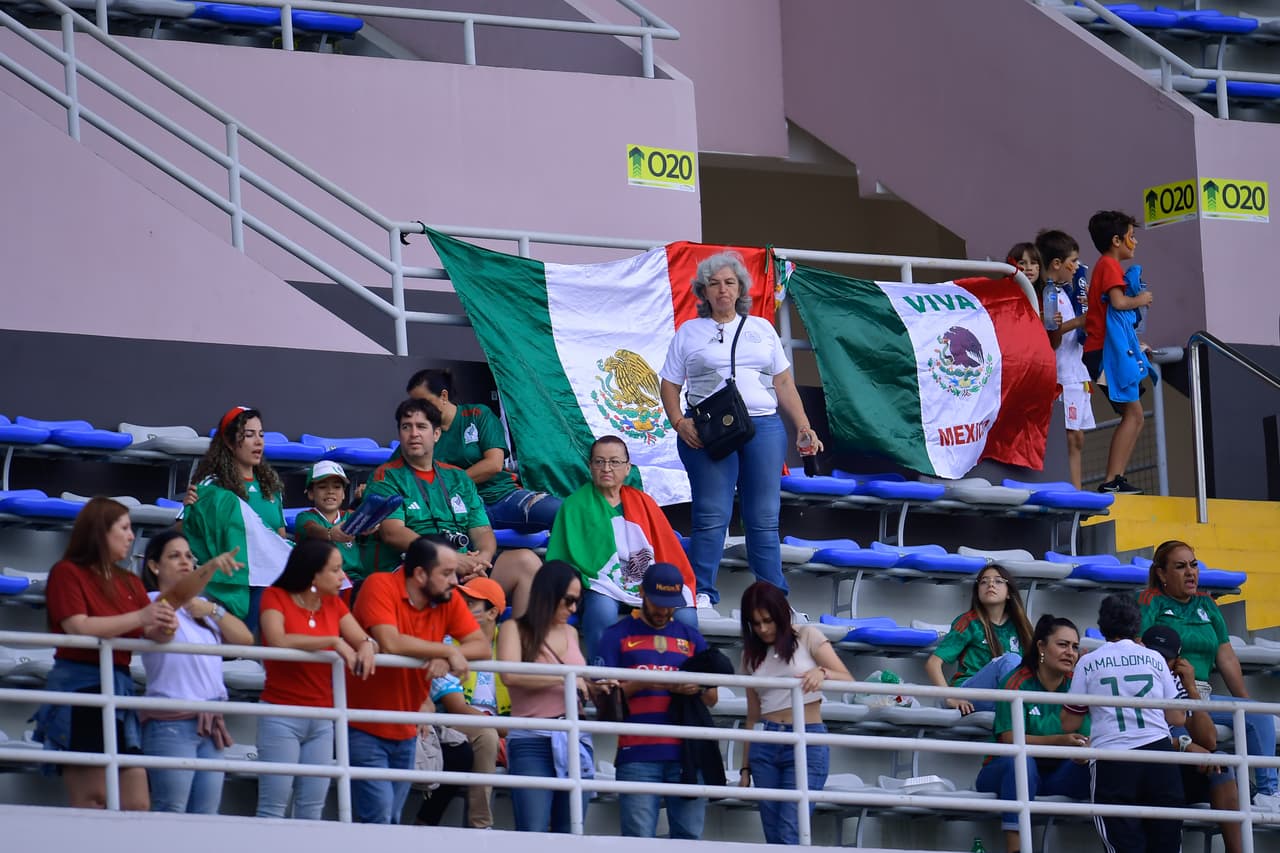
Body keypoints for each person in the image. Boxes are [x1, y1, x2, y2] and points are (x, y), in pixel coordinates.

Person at [659, 251, 824, 611]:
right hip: (708, 430)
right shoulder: (689, 332)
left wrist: (803, 426)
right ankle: (702, 592)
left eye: (729, 283)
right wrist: (678, 421)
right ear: (703, 292)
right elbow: (669, 384)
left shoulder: (762, 328)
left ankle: (773, 599)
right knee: (710, 514)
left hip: (763, 426)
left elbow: (782, 381)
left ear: (740, 289)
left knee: (763, 518)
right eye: (714, 284)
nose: (722, 290)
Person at [32, 498, 179, 810]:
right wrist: (142, 618)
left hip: (119, 690)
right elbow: (78, 627)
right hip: (82, 689)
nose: (131, 536)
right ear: (100, 531)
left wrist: (166, 625)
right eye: (124, 528)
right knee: (93, 798)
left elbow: (150, 633)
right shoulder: (67, 572)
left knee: (138, 802)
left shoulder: (128, 580)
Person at [346, 537, 488, 824]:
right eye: (446, 573)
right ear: (421, 574)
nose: (454, 581)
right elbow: (390, 641)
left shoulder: (445, 598)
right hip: (363, 724)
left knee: (391, 819)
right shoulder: (380, 584)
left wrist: (446, 657)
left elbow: (480, 646)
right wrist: (446, 650)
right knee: (378, 818)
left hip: (408, 728)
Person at [363, 398, 541, 616]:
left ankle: (520, 645)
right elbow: (393, 532)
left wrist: (481, 560)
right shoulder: (386, 476)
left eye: (422, 426)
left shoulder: (458, 477)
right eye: (406, 427)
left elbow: (482, 530)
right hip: (416, 568)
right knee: (461, 596)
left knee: (526, 562)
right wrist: (449, 559)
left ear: (436, 434)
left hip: (463, 568)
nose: (414, 433)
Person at [1138, 539, 1278, 807]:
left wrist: (1243, 703)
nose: (1190, 572)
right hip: (1169, 698)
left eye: (1194, 565)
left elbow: (1225, 657)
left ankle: (1268, 793)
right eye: (1180, 567)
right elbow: (1140, 648)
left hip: (1203, 693)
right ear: (1161, 573)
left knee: (1257, 714)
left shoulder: (1208, 604)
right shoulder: (1149, 601)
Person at [546, 434, 698, 661]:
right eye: (599, 461)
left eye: (614, 462)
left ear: (627, 468)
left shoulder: (644, 501)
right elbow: (563, 558)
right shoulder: (574, 505)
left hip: (648, 579)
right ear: (590, 467)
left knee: (686, 615)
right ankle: (603, 677)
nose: (606, 468)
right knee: (602, 611)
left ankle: (689, 675)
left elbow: (666, 549)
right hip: (602, 583)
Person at [256, 539, 378, 820]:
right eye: (335, 570)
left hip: (323, 718)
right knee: (272, 808)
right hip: (281, 714)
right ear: (313, 573)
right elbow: (277, 640)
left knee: (312, 812)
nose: (342, 577)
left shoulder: (333, 604)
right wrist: (333, 641)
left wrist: (367, 645)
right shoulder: (276, 596)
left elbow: (362, 638)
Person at [595, 562, 718, 839]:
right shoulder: (617, 635)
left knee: (688, 839)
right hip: (636, 754)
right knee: (638, 840)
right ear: (642, 593)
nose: (664, 610)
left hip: (687, 755)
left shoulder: (693, 638)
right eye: (658, 602)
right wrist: (643, 682)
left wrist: (695, 686)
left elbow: (712, 697)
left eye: (670, 604)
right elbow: (602, 701)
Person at [140, 529, 252, 814]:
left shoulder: (201, 608)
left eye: (189, 556)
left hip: (210, 721)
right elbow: (165, 622)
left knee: (206, 817)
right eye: (174, 556)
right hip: (171, 722)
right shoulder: (150, 601)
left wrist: (212, 609)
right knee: (171, 812)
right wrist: (211, 567)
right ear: (154, 565)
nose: (185, 562)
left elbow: (245, 640)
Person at [1063, 593, 1185, 851]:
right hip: (1159, 755)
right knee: (1166, 842)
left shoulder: (1088, 661)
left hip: (1113, 757)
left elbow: (1069, 723)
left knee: (1123, 844)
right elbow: (1176, 717)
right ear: (1136, 624)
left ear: (1102, 625)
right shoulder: (1154, 658)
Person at [737, 581, 853, 845]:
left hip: (807, 738)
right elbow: (752, 716)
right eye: (755, 623)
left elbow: (848, 679)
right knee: (774, 835)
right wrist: (745, 767)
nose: (763, 629)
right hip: (765, 743)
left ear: (780, 614)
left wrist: (821, 672)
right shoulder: (750, 654)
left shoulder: (808, 636)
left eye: (767, 620)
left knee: (792, 831)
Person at [497, 560, 604, 833]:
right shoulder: (513, 629)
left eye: (577, 602)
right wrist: (565, 679)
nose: (573, 609)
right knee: (533, 832)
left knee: (570, 831)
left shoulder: (570, 631)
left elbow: (578, 681)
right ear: (548, 594)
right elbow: (510, 676)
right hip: (531, 739)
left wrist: (595, 687)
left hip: (574, 738)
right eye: (568, 600)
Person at [974, 615, 1090, 853]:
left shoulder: (1078, 685)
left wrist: (1083, 753)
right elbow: (1009, 739)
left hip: (1056, 776)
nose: (1070, 652)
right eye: (1062, 644)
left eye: (1075, 646)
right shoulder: (1016, 682)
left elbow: (1085, 738)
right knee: (1022, 761)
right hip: (1005, 773)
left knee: (1104, 766)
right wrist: (1060, 742)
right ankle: (1016, 848)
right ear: (1041, 647)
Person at [407, 368, 562, 533]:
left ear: (443, 396)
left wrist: (449, 484)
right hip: (459, 507)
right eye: (414, 405)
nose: (418, 410)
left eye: (423, 403)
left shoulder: (477, 414)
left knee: (563, 512)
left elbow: (493, 465)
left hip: (504, 497)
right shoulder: (421, 434)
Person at [185, 405, 292, 629]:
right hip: (230, 583)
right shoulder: (210, 486)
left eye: (261, 435)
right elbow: (184, 533)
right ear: (229, 441)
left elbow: (279, 539)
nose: (259, 442)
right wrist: (188, 508)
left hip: (269, 581)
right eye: (249, 435)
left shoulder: (271, 489)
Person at [1142, 624, 1243, 853]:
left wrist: (1191, 687)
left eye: (1166, 658)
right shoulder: (1132, 681)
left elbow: (1209, 740)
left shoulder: (1178, 683)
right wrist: (1185, 746)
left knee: (1221, 764)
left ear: (1177, 661)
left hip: (1178, 772)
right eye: (1153, 655)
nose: (1159, 663)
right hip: (1147, 771)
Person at [1081, 211, 1152, 494]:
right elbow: (1119, 302)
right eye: (1131, 237)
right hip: (1104, 354)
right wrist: (1141, 299)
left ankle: (1117, 478)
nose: (1134, 242)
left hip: (1105, 351)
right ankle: (1112, 479)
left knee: (1134, 416)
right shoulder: (1109, 265)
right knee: (1133, 415)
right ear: (1116, 240)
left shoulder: (1105, 266)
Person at [924, 565, 1034, 715]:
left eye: (998, 581)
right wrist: (949, 698)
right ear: (977, 592)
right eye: (984, 582)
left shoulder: (1020, 626)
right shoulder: (969, 622)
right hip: (969, 694)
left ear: (1009, 593)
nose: (990, 585)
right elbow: (933, 663)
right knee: (1010, 660)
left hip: (1001, 698)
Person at [1034, 230, 1095, 491]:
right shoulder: (1047, 294)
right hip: (1061, 376)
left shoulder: (1065, 292)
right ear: (1057, 264)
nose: (1077, 268)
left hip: (1077, 372)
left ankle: (1077, 490)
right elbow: (1052, 338)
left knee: (1078, 438)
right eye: (1073, 261)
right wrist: (1077, 322)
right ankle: (1072, 492)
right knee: (1070, 438)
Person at [452, 576, 510, 828]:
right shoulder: (449, 639)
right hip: (456, 721)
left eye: (470, 602)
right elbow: (452, 705)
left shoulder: (510, 645)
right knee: (487, 737)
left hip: (503, 730)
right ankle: (480, 825)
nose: (461, 605)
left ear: (493, 612)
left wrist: (501, 731)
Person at [294, 460, 370, 585]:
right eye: (322, 487)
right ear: (311, 493)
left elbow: (371, 527)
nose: (330, 491)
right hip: (319, 581)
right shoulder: (304, 517)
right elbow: (312, 529)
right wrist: (330, 533)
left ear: (344, 494)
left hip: (354, 580)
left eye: (337, 487)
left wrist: (370, 526)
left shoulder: (350, 516)